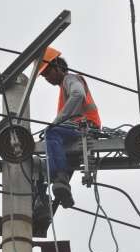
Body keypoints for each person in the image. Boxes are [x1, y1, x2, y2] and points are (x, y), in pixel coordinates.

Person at [38, 47, 101, 208]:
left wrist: (56, 122)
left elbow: (78, 94)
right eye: (44, 76)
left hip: (85, 127)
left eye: (48, 73)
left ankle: (60, 179)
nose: (47, 78)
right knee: (54, 159)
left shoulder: (70, 79)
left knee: (51, 133)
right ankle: (58, 197)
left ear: (58, 66)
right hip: (76, 129)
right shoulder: (63, 88)